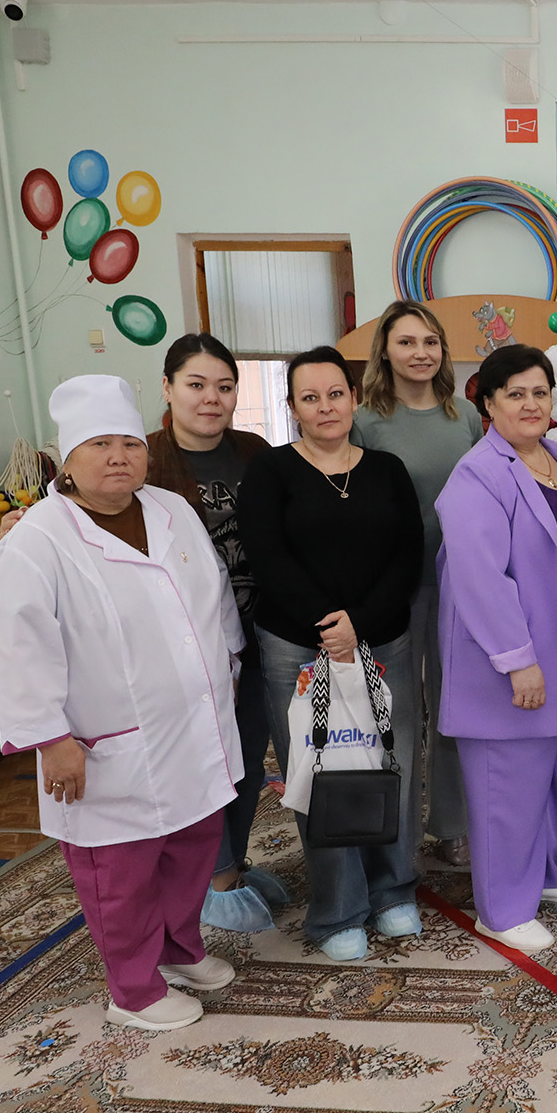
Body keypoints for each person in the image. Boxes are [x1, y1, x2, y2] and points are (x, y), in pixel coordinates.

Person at [0, 375, 242, 1030]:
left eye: (130, 443)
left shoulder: (171, 510)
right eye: (100, 445)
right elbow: (16, 647)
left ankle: (179, 951)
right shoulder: (37, 541)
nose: (120, 457)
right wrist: (51, 739)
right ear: (67, 460)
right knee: (119, 871)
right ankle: (133, 991)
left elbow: (213, 595)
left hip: (194, 725)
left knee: (191, 847)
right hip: (104, 740)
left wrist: (229, 665)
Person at [238, 345, 424, 962]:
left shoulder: (387, 469)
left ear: (355, 398)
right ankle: (338, 910)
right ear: (292, 407)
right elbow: (268, 557)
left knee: (392, 764)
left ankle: (394, 890)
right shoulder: (271, 471)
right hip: (298, 646)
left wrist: (359, 624)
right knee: (321, 773)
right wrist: (329, 626)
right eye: (310, 397)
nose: (325, 407)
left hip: (384, 641)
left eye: (335, 394)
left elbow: (408, 556)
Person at [437, 343, 557, 954]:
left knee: (553, 775)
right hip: (510, 663)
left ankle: (544, 873)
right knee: (507, 786)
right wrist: (517, 659)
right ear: (488, 404)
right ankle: (502, 909)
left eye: (540, 392)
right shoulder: (477, 474)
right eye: (515, 394)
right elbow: (480, 578)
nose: (531, 404)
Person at [141, 333, 282, 933]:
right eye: (196, 385)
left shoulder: (256, 452)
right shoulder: (145, 459)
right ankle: (214, 879)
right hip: (185, 646)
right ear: (167, 387)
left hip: (259, 634)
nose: (211, 398)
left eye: (224, 387)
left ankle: (233, 864)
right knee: (205, 762)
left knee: (247, 758)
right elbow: (82, 506)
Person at [352, 301, 487, 870]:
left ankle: (453, 824)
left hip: (460, 583)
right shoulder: (365, 421)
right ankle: (399, 834)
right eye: (406, 342)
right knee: (400, 715)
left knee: (455, 708)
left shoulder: (466, 416)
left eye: (430, 342)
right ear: (385, 351)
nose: (420, 353)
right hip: (396, 587)